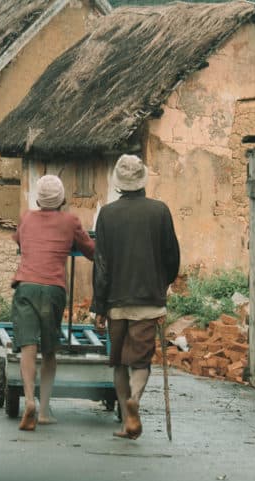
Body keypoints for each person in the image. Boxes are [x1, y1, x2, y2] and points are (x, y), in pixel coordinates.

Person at [91, 154, 180, 439]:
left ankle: (125, 418)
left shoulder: (107, 214)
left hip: (116, 303)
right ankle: (135, 401)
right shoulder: (160, 211)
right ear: (142, 181)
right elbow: (171, 257)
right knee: (140, 362)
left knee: (118, 362)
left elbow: (101, 265)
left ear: (118, 183)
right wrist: (160, 286)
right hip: (149, 303)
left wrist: (99, 306)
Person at [11, 174, 95, 431]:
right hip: (53, 289)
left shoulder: (26, 217)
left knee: (28, 346)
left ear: (38, 199)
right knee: (49, 351)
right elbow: (91, 250)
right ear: (62, 200)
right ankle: (45, 409)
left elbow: (19, 240)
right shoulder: (70, 221)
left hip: (26, 285)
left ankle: (29, 401)